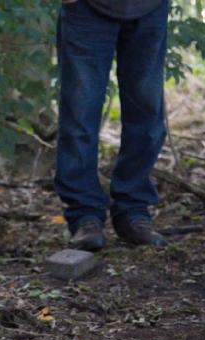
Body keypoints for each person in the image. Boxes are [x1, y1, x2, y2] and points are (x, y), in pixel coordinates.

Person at [56, 0, 170, 251]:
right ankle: (85, 216)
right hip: (86, 8)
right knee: (79, 113)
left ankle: (133, 211)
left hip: (150, 8)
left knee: (147, 113)